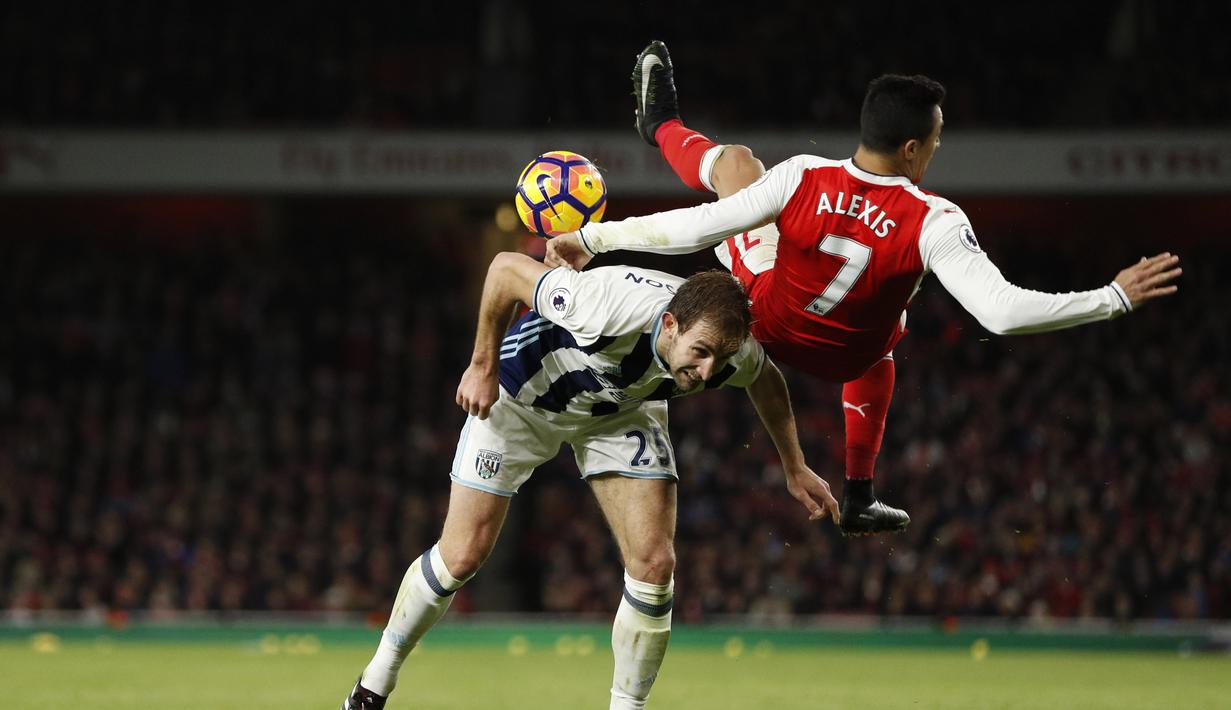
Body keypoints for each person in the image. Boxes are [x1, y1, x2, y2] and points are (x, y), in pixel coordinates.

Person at [546, 40, 1182, 537]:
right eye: (934, 141)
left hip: (765, 326)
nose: (934, 151)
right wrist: (1112, 297)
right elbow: (1003, 313)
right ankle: (859, 491)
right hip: (851, 357)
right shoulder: (934, 218)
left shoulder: (803, 177)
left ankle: (660, 125)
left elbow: (698, 227)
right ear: (911, 147)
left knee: (736, 166)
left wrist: (596, 237)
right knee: (885, 328)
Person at [341, 252, 839, 710]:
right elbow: (505, 270)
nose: (709, 373)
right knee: (461, 557)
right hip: (522, 399)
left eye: (720, 361)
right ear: (669, 324)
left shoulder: (728, 348)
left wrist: (794, 466)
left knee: (654, 562)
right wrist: (481, 363)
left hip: (618, 411)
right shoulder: (604, 306)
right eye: (702, 352)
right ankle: (374, 684)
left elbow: (765, 379)